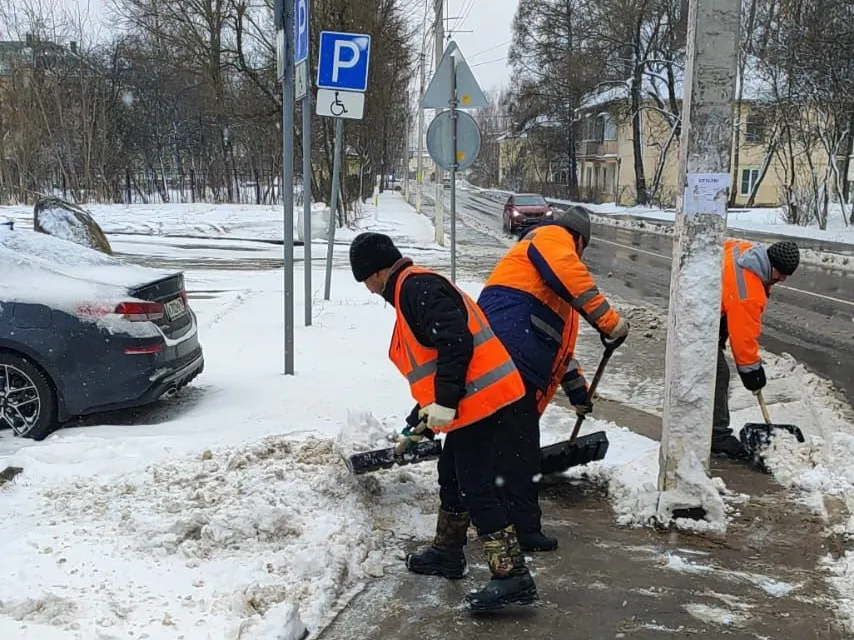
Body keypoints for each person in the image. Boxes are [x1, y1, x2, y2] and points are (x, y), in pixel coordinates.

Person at [348, 231, 538, 611]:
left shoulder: (417, 289)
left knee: (475, 484)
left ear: (377, 271)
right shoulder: (411, 290)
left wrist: (446, 402)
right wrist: (425, 411)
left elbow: (456, 342)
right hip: (473, 401)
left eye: (366, 280)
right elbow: (436, 362)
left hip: (483, 402)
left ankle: (512, 574)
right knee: (452, 474)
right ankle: (449, 552)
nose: (369, 290)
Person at [477, 206, 629, 552]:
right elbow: (570, 273)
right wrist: (609, 321)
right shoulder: (551, 237)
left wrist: (578, 393)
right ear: (578, 239)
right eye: (581, 249)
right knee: (519, 450)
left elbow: (559, 350)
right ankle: (522, 529)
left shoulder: (548, 290)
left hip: (506, 352)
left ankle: (496, 516)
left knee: (500, 445)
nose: (578, 255)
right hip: (510, 353)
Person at [713, 238, 800, 458]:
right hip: (698, 320)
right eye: (780, 273)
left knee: (709, 375)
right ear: (770, 265)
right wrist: (754, 375)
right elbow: (743, 341)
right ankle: (717, 436)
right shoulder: (749, 292)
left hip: (701, 302)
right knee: (718, 374)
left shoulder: (746, 251)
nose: (783, 278)